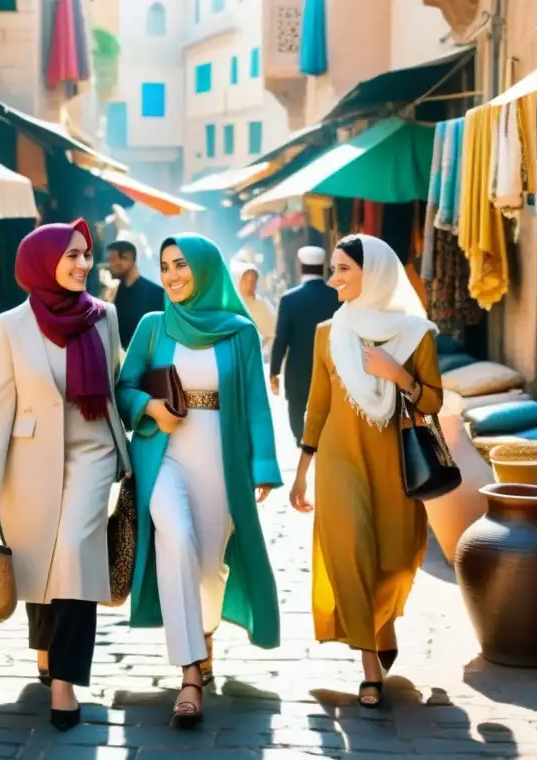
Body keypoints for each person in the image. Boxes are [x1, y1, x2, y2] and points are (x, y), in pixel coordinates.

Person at [116, 234, 281, 730]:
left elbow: (255, 402)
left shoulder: (239, 332)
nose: (172, 276)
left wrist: (264, 466)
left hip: (222, 466)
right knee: (176, 538)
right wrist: (149, 408)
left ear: (206, 268)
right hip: (163, 460)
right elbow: (123, 388)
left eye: (181, 265)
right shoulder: (152, 326)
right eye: (165, 266)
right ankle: (190, 673)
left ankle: (204, 633)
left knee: (209, 566)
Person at [0, 219, 130, 732]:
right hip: (30, 455)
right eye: (72, 256)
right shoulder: (12, 324)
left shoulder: (104, 315)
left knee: (73, 560)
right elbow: (2, 399)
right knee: (38, 557)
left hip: (92, 452)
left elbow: (115, 383)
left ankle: (64, 681)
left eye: (87, 255)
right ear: (43, 263)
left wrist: (151, 411)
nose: (84, 264)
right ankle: (43, 645)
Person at [288, 235, 442, 710]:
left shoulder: (416, 333)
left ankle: (384, 620)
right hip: (338, 460)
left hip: (394, 460)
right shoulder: (326, 333)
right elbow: (318, 405)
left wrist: (400, 376)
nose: (332, 280)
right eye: (331, 269)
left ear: (371, 272)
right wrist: (301, 472)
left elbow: (434, 400)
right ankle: (369, 667)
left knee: (395, 558)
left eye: (342, 271)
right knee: (351, 554)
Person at [269, 246, 340, 446]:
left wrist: (274, 371)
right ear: (324, 266)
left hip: (298, 373)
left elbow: (281, 337)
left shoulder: (289, 299)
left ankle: (305, 452)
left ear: (301, 267)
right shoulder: (337, 297)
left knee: (300, 424)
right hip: (331, 370)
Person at [108, 238, 165, 350]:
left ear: (127, 259)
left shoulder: (156, 293)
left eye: (112, 260)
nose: (110, 265)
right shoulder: (119, 292)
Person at [234, 263, 277, 356]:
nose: (250, 285)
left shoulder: (261, 304)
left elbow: (271, 332)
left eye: (253, 281)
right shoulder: (233, 303)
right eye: (246, 281)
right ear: (240, 281)